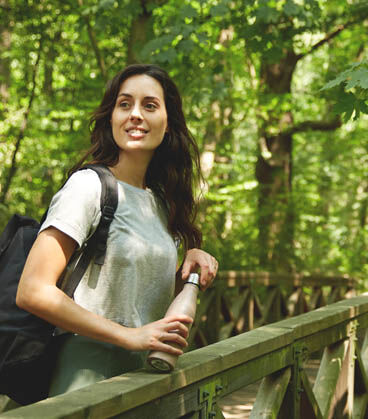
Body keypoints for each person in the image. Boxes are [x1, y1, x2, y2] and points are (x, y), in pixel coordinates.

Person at [15, 64, 218, 396]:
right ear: (111, 118)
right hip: (87, 373)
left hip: (148, 374)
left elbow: (138, 293)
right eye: (125, 104)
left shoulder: (163, 204)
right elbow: (32, 290)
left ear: (168, 125)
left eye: (149, 105)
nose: (135, 114)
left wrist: (186, 268)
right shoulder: (88, 187)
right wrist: (129, 336)